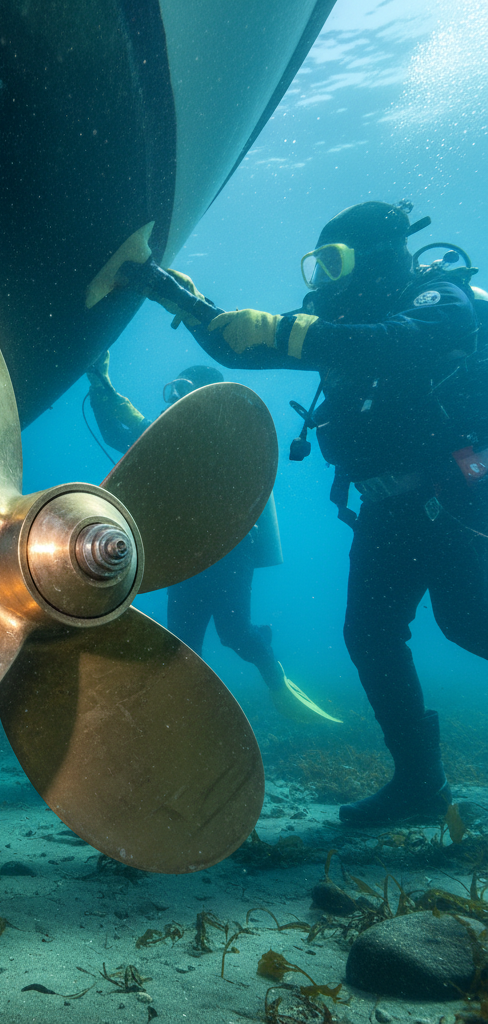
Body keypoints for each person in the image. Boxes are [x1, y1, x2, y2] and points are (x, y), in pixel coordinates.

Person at [141, 200, 488, 826]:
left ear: (378, 255)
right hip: (385, 506)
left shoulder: (440, 296)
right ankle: (420, 785)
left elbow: (407, 342)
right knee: (370, 635)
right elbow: (245, 348)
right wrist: (175, 297)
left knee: (468, 624)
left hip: (454, 499)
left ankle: (420, 782)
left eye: (334, 261)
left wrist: (285, 330)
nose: (322, 280)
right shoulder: (336, 319)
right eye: (317, 265)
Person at [86, 356, 338, 726]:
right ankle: (184, 718)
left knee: (234, 633)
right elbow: (117, 434)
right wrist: (99, 389)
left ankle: (272, 672)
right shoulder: (166, 435)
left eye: (186, 391)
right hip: (184, 547)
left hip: (232, 549)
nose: (176, 398)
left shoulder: (231, 431)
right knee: (183, 644)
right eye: (175, 390)